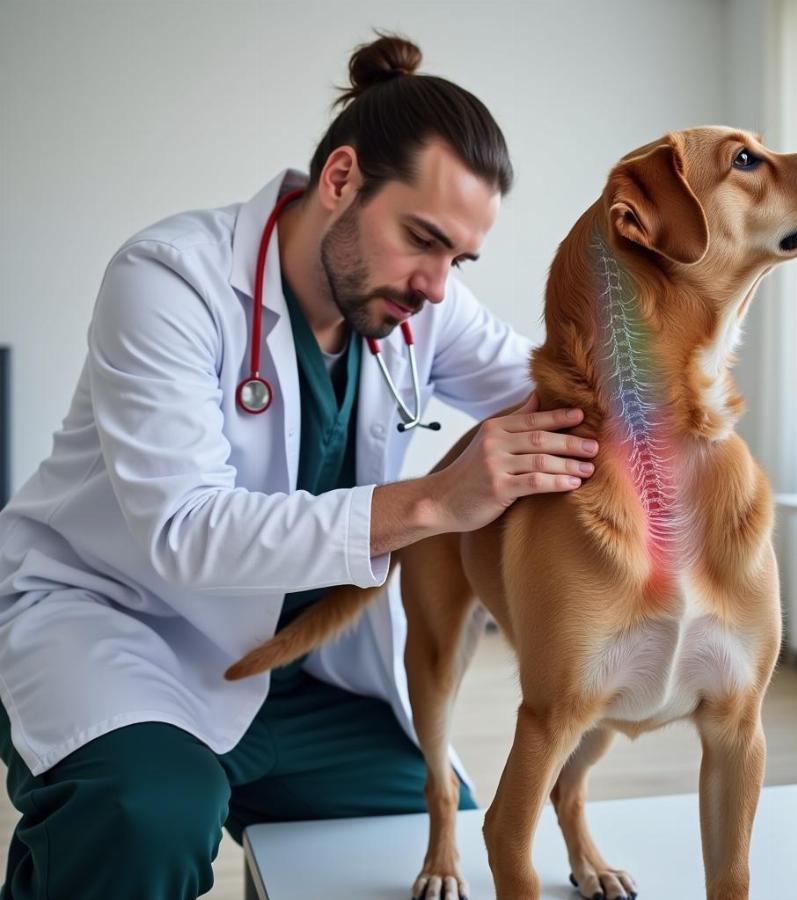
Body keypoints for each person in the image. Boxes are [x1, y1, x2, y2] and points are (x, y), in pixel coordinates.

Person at [0, 33, 599, 899]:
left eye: (458, 260)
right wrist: (435, 501)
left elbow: (559, 397)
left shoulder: (421, 304)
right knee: (145, 819)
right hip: (127, 634)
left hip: (302, 669)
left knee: (437, 847)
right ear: (341, 179)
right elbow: (185, 530)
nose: (437, 285)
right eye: (422, 240)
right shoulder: (170, 280)